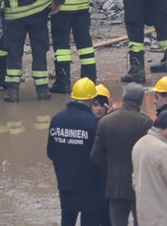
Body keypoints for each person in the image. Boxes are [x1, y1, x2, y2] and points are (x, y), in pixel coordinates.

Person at [47, 78, 108, 226]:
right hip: (90, 184)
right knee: (89, 220)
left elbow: (51, 152)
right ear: (91, 98)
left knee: (67, 219)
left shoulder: (56, 119)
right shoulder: (93, 123)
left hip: (65, 182)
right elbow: (99, 154)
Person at [92, 84, 155, 226]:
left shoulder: (105, 121)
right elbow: (150, 156)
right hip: (139, 185)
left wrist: (109, 170)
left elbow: (95, 155)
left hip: (114, 185)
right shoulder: (146, 123)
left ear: (123, 98)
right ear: (141, 102)